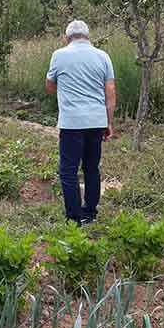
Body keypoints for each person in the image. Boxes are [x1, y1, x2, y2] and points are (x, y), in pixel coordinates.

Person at [46, 20, 116, 226]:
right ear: (88, 36)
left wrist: (65, 86)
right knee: (91, 168)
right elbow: (110, 91)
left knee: (68, 170)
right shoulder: (103, 56)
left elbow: (49, 86)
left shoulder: (59, 55)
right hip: (96, 121)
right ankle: (90, 213)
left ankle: (73, 218)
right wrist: (109, 122)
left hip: (72, 123)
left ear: (67, 37)